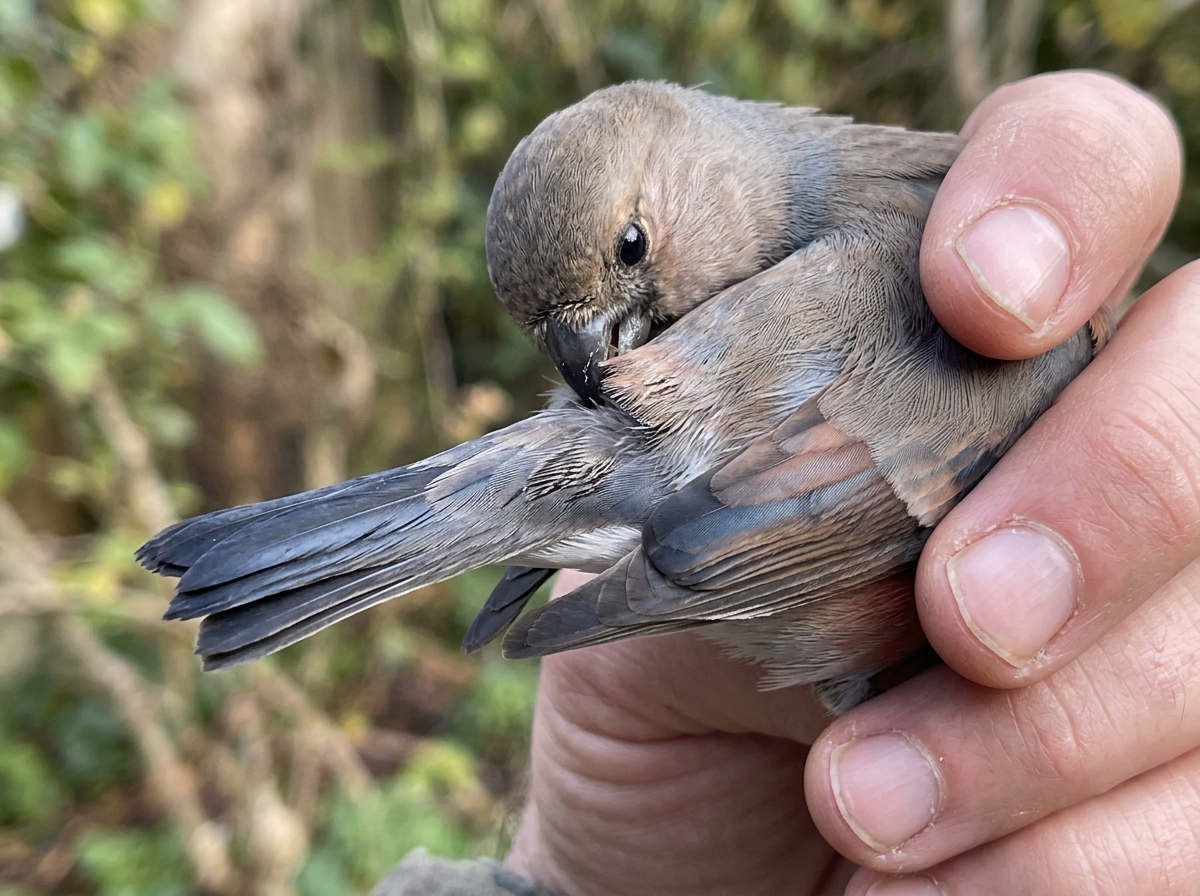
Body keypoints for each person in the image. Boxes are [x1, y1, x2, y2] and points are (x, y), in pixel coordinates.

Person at [501, 71, 1198, 895]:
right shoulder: (870, 207)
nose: (604, 362)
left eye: (630, 252)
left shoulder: (966, 231)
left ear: (688, 145)